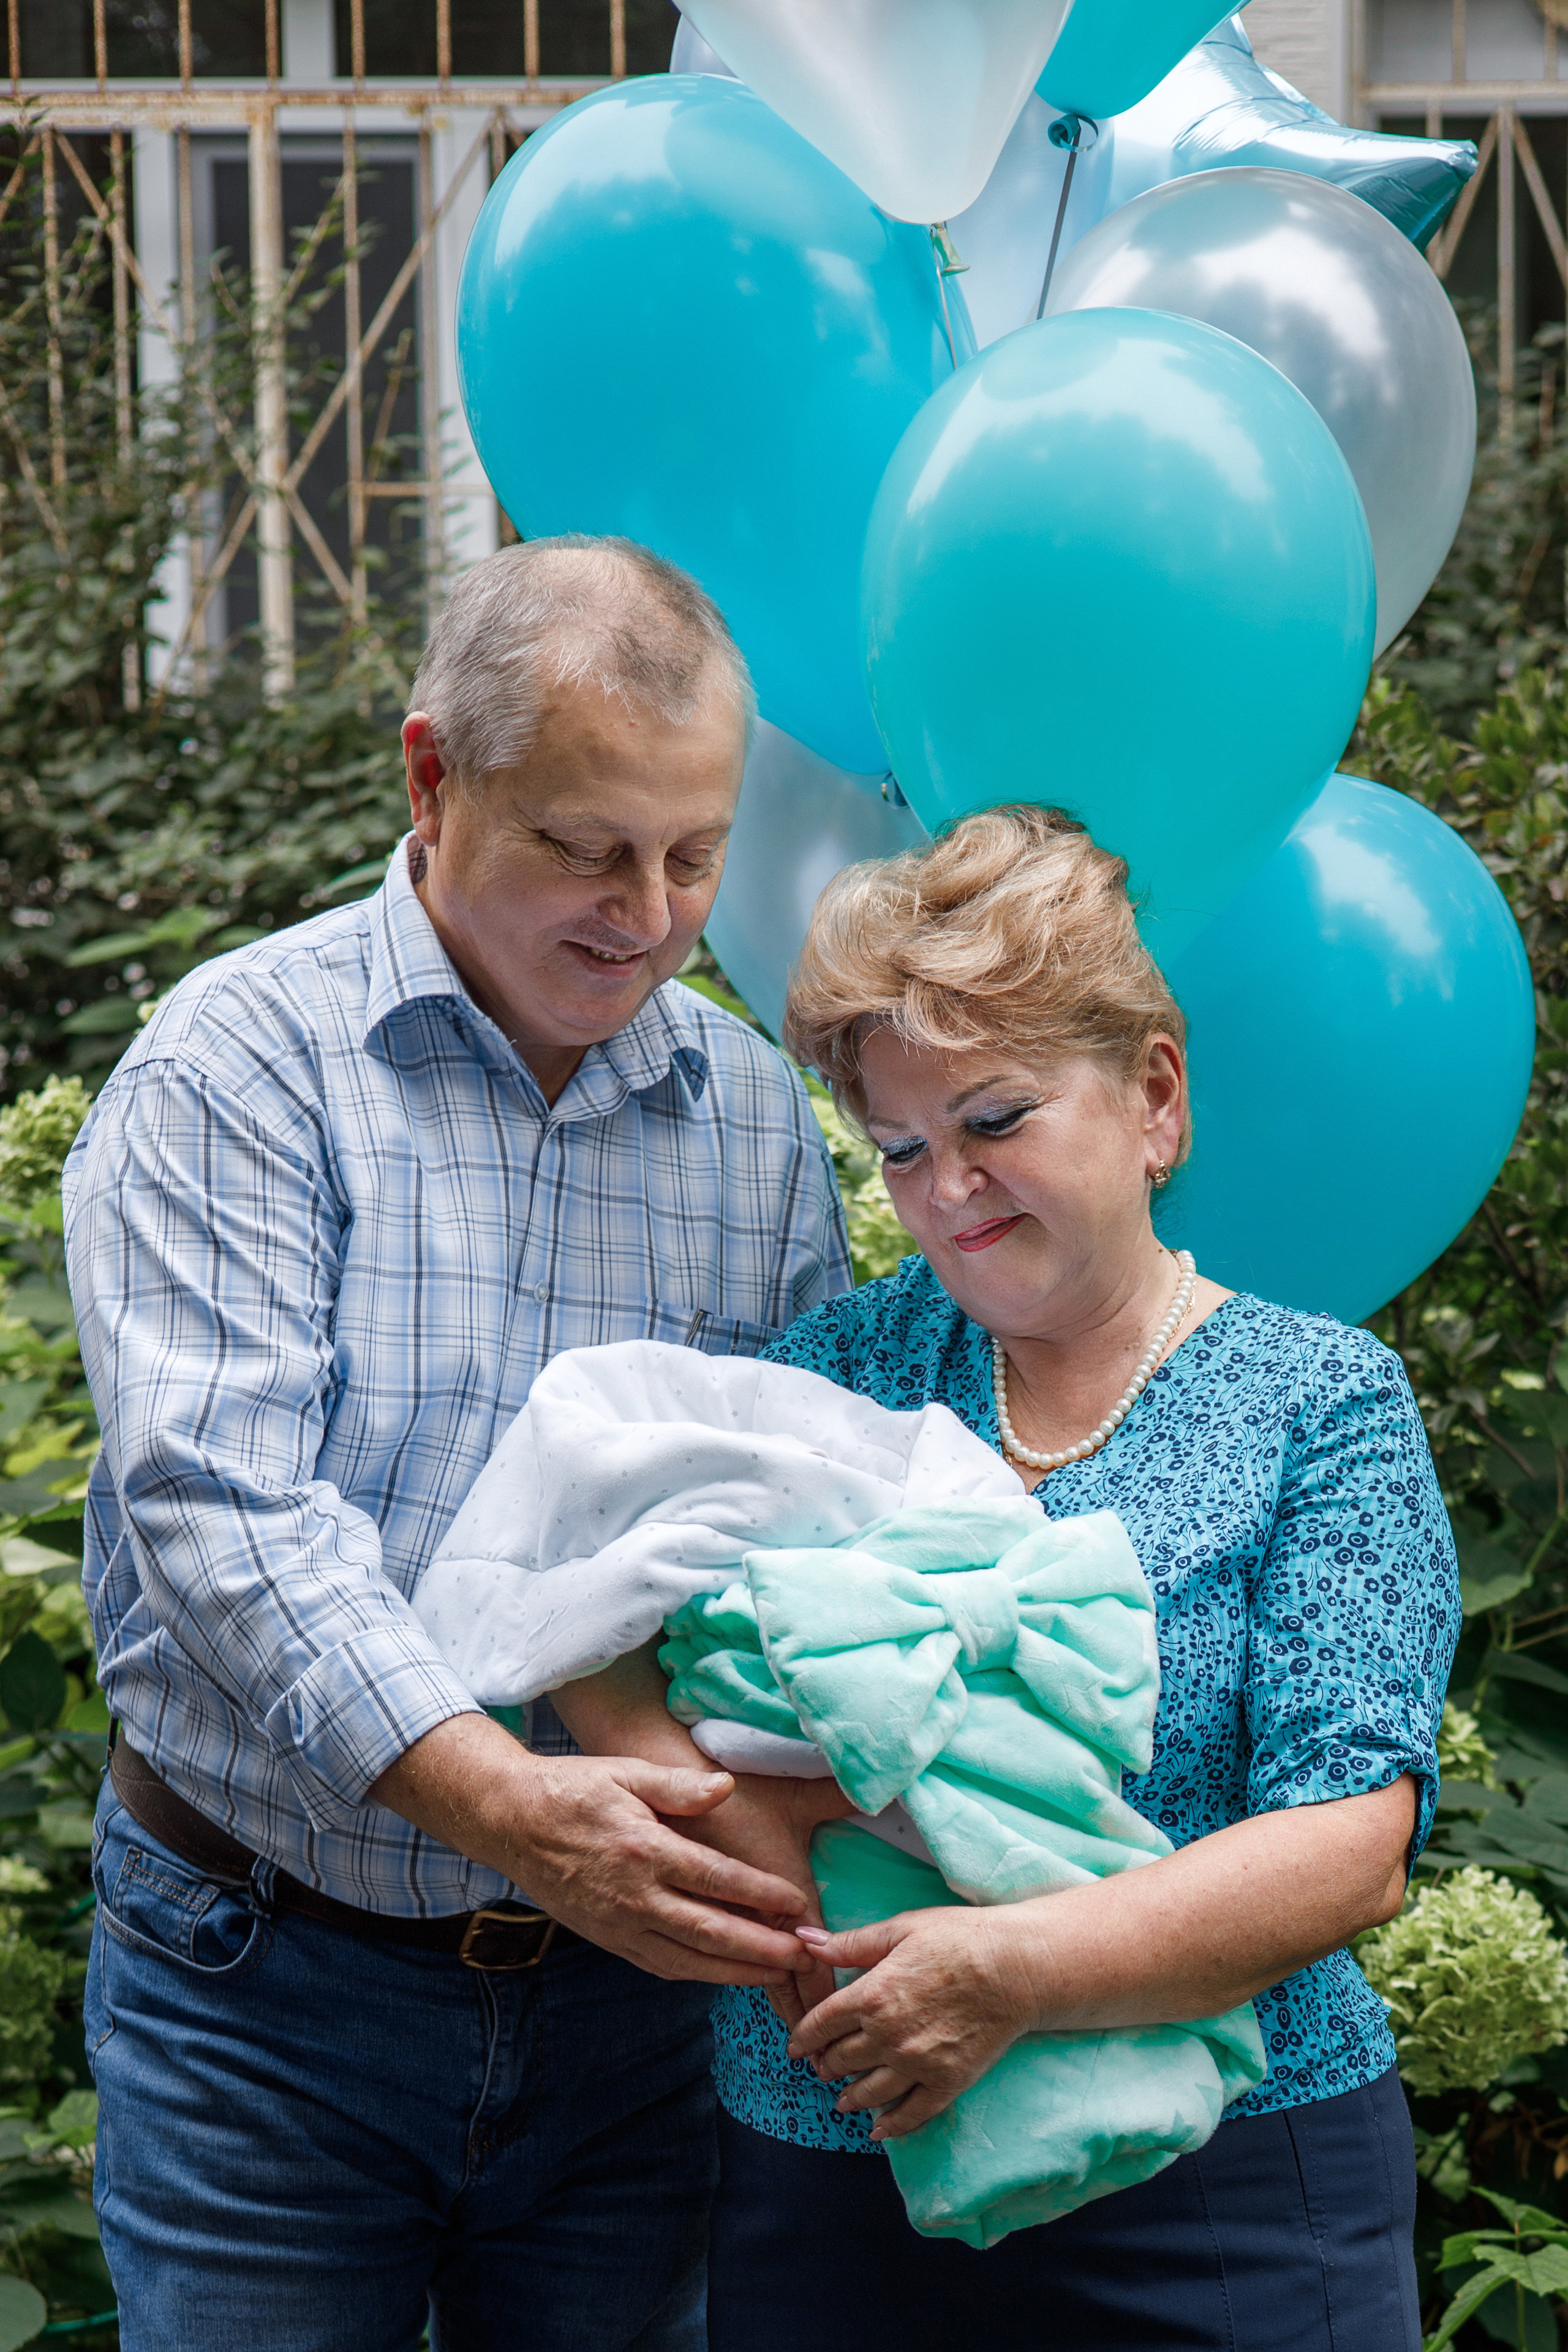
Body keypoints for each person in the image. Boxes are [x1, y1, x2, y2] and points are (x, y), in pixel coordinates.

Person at [62, 535, 851, 2352]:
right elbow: (228, 1516)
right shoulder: (238, 1067)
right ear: (432, 779)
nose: (647, 914)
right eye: (586, 847)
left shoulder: (750, 1121)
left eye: (696, 855)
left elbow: (787, 1533)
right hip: (267, 1987)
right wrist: (509, 1808)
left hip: (635, 2020)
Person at [554, 805, 1461, 2352]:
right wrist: (752, 1845)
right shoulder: (834, 1374)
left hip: (1224, 2185)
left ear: (1153, 1097)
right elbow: (597, 1623)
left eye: (993, 1119)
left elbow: (1348, 1842)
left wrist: (1011, 1973)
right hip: (837, 2162)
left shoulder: (1319, 1403)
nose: (947, 1189)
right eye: (901, 1149)